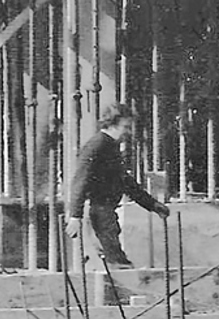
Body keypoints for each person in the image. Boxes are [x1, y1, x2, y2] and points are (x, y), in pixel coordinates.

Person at [66, 103, 169, 268]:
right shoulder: (97, 146)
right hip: (99, 210)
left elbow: (125, 182)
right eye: (126, 127)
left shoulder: (109, 147)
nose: (129, 132)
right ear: (112, 123)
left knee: (113, 259)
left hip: (105, 210)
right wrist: (74, 216)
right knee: (115, 261)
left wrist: (153, 205)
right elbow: (80, 180)